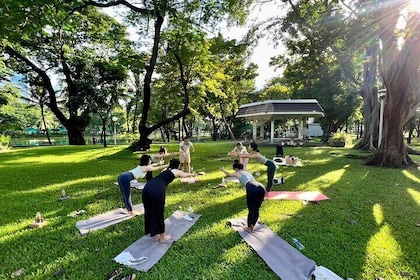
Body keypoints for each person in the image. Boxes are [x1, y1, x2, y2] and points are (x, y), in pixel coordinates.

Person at [142, 158, 196, 243]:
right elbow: (185, 175)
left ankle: (155, 234)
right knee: (159, 212)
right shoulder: (176, 170)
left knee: (149, 210)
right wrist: (192, 174)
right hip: (158, 188)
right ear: (177, 165)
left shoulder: (165, 170)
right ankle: (162, 237)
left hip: (148, 186)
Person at [220, 160, 266, 233]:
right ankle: (252, 226)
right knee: (256, 208)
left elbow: (229, 174)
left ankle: (249, 227)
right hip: (261, 186)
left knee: (251, 209)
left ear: (236, 169)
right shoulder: (247, 172)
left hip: (251, 187)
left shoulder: (237, 173)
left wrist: (223, 170)